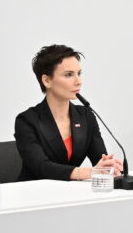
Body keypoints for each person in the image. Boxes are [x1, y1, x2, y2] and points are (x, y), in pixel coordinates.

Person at [14, 44, 124, 181]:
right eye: (68, 75)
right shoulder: (26, 120)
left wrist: (108, 166)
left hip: (70, 190)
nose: (78, 81)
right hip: (34, 191)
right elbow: (41, 167)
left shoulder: (86, 116)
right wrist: (89, 172)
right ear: (47, 80)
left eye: (79, 73)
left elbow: (99, 159)